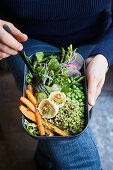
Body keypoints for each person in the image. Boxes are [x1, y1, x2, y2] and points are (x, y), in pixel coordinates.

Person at [0, 0, 113, 169]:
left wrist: (104, 55)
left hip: (92, 42)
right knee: (83, 162)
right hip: (24, 39)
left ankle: (44, 160)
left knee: (84, 109)